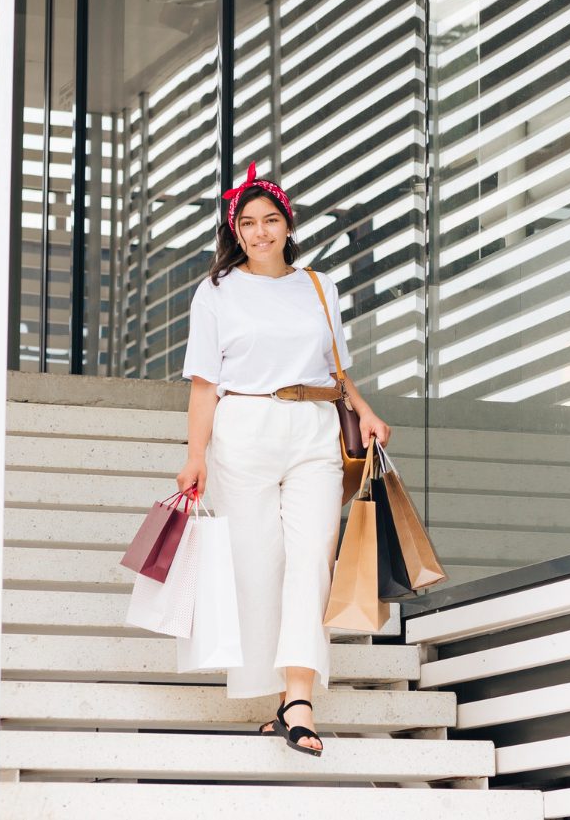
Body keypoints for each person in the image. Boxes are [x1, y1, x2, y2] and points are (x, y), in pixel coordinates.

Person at [176, 161, 391, 758]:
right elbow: (202, 384)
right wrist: (195, 456)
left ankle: (299, 697)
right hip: (242, 426)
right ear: (235, 231)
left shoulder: (319, 287)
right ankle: (274, 690)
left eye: (271, 220)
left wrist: (365, 411)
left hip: (315, 429)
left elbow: (336, 370)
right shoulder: (215, 291)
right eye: (249, 223)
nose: (261, 231)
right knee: (256, 565)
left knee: (311, 558)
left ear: (288, 225)